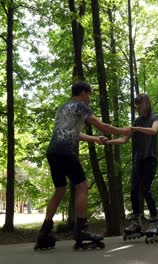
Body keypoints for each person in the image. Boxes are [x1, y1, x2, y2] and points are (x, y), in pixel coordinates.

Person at [34, 81, 132, 250]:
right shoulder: (80, 106)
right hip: (65, 152)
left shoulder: (63, 108)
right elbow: (101, 125)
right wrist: (124, 131)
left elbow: (74, 134)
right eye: (89, 94)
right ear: (82, 93)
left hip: (52, 152)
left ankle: (44, 233)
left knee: (59, 190)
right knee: (82, 186)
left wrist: (95, 139)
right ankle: (81, 230)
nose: (89, 98)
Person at [106, 93, 158, 240]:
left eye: (140, 103)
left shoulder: (155, 118)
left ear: (147, 103)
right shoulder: (136, 121)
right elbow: (124, 139)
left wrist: (136, 129)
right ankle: (136, 222)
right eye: (136, 104)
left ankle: (155, 222)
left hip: (150, 158)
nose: (138, 106)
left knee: (146, 189)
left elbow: (153, 131)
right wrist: (109, 142)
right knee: (133, 190)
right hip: (138, 160)